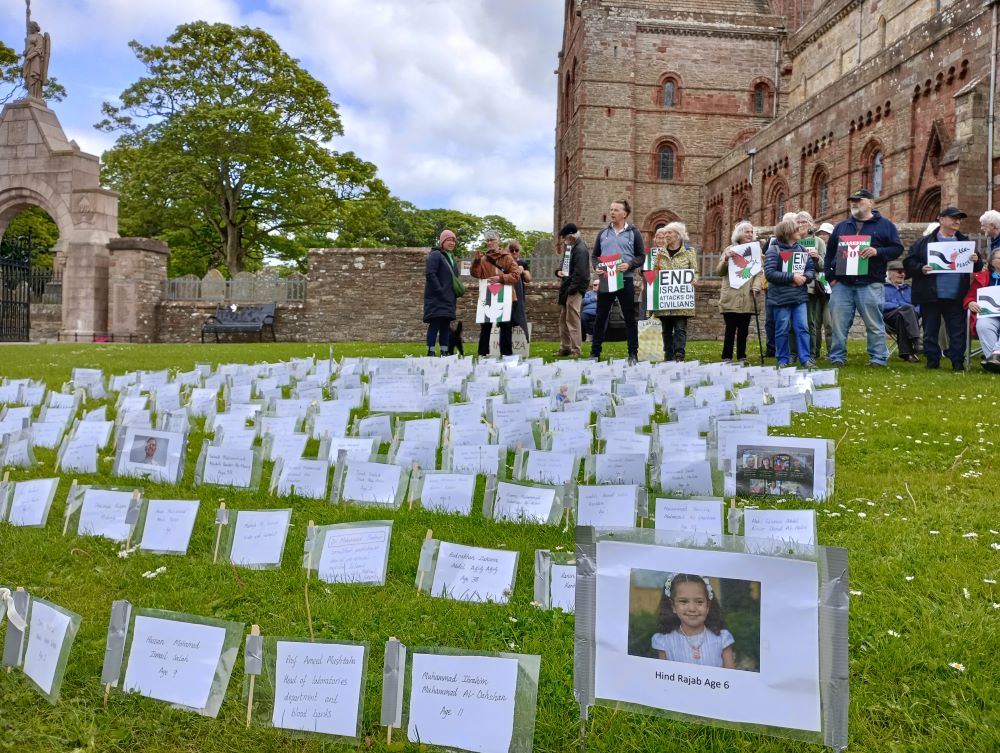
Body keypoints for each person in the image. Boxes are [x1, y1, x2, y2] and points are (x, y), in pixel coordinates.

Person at [824, 189, 903, 367]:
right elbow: (829, 254)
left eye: (859, 200)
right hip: (842, 284)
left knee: (874, 323)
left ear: (870, 203)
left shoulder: (885, 225)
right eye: (852, 200)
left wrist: (878, 251)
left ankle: (878, 358)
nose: (854, 203)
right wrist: (830, 277)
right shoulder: (841, 226)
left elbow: (897, 249)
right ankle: (837, 356)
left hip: (870, 283)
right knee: (838, 323)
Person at [903, 206, 977, 371]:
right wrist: (921, 268)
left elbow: (977, 267)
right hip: (930, 295)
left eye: (959, 218)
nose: (957, 221)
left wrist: (976, 259)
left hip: (957, 295)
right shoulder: (923, 243)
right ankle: (932, 360)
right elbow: (908, 264)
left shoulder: (965, 243)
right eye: (953, 218)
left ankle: (958, 362)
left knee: (957, 331)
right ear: (941, 219)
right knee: (930, 330)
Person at [590, 199, 645, 364]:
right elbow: (594, 256)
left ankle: (632, 354)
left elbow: (641, 256)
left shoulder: (634, 233)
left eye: (616, 210)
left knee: (629, 317)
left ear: (625, 213)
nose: (612, 212)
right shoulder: (602, 234)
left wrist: (629, 264)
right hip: (606, 280)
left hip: (625, 279)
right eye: (611, 209)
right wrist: (596, 267)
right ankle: (595, 353)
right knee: (600, 317)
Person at [652, 573, 735, 669]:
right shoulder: (665, 641)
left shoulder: (722, 639)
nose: (692, 608)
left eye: (699, 602)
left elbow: (731, 679)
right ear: (673, 606)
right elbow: (662, 677)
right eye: (684, 601)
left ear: (708, 606)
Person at [765, 217, 815, 367]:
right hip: (780, 298)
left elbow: (810, 269)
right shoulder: (774, 250)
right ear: (787, 232)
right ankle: (782, 360)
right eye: (796, 228)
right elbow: (770, 273)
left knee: (802, 328)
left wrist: (805, 278)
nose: (800, 230)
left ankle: (805, 359)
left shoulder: (801, 249)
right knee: (781, 329)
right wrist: (792, 277)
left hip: (799, 297)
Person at [650, 223, 697, 361]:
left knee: (680, 327)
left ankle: (679, 353)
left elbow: (695, 271)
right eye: (665, 233)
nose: (666, 235)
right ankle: (668, 354)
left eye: (669, 233)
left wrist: (695, 279)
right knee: (666, 329)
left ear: (677, 234)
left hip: (681, 298)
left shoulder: (689, 252)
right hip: (665, 298)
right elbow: (654, 272)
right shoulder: (659, 254)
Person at [717, 221, 762, 363]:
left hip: (748, 295)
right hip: (731, 295)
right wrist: (725, 259)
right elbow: (720, 271)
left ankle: (742, 356)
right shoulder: (729, 249)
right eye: (746, 231)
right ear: (739, 233)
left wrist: (756, 287)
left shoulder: (756, 250)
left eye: (751, 232)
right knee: (730, 328)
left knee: (744, 329)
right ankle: (726, 356)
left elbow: (758, 272)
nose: (749, 234)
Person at [471, 230, 522, 357]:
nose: (490, 243)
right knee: (486, 326)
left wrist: (500, 278)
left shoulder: (507, 257)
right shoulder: (482, 259)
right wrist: (476, 262)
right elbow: (476, 274)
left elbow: (515, 276)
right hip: (488, 294)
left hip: (506, 296)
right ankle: (483, 354)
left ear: (498, 241)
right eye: (488, 240)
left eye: (492, 240)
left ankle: (506, 356)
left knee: (505, 326)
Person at [423, 229, 461, 357]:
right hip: (437, 297)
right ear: (442, 242)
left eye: (453, 240)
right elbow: (430, 274)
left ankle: (445, 351)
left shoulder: (452, 258)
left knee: (445, 325)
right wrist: (439, 290)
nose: (451, 243)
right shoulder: (436, 255)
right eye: (449, 240)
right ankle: (431, 351)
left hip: (449, 298)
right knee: (435, 323)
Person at [554, 223, 590, 357]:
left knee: (573, 319)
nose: (563, 240)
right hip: (567, 287)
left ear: (571, 236)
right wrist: (558, 272)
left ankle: (576, 349)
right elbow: (564, 264)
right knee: (563, 319)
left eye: (564, 237)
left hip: (574, 288)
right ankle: (565, 348)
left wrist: (572, 289)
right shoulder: (570, 247)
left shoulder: (580, 249)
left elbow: (580, 273)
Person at [798, 212, 829, 361]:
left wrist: (817, 257)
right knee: (795, 322)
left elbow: (824, 267)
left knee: (812, 321)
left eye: (803, 222)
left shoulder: (818, 242)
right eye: (797, 222)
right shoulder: (793, 241)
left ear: (810, 224)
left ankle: (813, 352)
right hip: (794, 286)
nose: (800, 225)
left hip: (811, 286)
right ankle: (796, 352)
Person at [964, 247, 1000, 371]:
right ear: (992, 262)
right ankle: (994, 361)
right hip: (989, 314)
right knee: (983, 325)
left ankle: (995, 357)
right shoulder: (983, 277)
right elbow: (970, 296)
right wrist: (971, 302)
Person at [882, 260, 921, 362]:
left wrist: (914, 311)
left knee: (902, 317)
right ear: (890, 273)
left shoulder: (909, 289)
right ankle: (916, 340)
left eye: (904, 272)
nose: (903, 274)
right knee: (907, 309)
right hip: (889, 318)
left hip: (907, 319)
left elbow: (919, 304)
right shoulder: (882, 288)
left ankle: (906, 354)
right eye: (899, 272)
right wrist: (900, 307)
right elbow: (880, 304)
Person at [507, 240, 531, 344]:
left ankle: (518, 343)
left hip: (519, 294)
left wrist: (523, 272)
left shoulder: (523, 263)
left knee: (519, 318)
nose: (514, 252)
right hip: (507, 294)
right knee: (507, 320)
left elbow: (528, 279)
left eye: (516, 250)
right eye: (511, 250)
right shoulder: (505, 263)